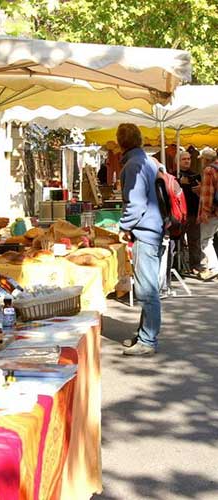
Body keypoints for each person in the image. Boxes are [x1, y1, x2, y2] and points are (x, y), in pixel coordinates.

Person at [116, 123, 164, 356]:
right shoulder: (148, 161)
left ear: (120, 142)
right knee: (149, 286)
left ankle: (148, 341)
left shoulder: (134, 165)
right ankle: (145, 334)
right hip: (155, 227)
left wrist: (123, 227)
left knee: (147, 289)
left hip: (146, 231)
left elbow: (135, 204)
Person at [177, 150, 202, 275]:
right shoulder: (174, 175)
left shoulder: (196, 175)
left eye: (188, 159)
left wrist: (200, 189)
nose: (187, 161)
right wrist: (180, 184)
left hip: (193, 212)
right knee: (178, 241)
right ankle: (178, 265)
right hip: (180, 213)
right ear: (178, 161)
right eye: (184, 159)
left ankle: (195, 265)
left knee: (195, 240)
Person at [196, 147, 218, 280]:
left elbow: (208, 194)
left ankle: (214, 267)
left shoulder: (209, 170)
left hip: (212, 212)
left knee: (205, 240)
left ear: (205, 159)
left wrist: (205, 212)